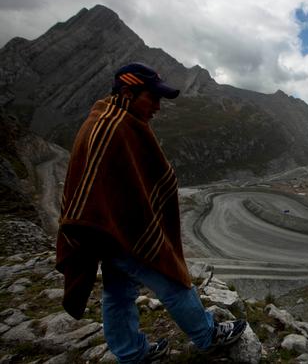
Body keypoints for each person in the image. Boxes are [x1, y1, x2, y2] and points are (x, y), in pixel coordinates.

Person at [56, 63, 247, 363]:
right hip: (121, 231)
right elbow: (101, 187)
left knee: (118, 293)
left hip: (106, 229)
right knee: (171, 278)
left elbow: (122, 185)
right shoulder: (115, 126)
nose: (158, 107)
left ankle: (132, 353)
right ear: (129, 92)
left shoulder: (108, 118)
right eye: (153, 98)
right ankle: (206, 335)